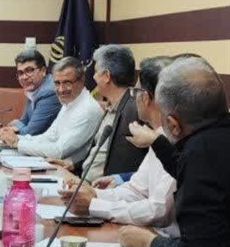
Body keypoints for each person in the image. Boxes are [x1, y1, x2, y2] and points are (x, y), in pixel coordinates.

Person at [119, 57, 230, 247]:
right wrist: (158, 143)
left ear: (173, 124)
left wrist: (149, 242)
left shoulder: (200, 153)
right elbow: (183, 168)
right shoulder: (217, 136)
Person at [60, 57, 177, 230]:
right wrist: (95, 194)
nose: (133, 98)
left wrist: (95, 205)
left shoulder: (172, 140)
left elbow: (159, 210)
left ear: (145, 97)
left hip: (165, 238)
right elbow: (136, 191)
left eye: (135, 91)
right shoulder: (158, 134)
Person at [50, 44, 146, 180]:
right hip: (83, 181)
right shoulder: (110, 106)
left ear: (106, 76)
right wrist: (73, 164)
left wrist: (114, 182)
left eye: (95, 72)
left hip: (106, 189)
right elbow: (99, 153)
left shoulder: (134, 111)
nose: (93, 77)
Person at [1, 56, 102, 162]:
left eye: (67, 83)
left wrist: (17, 143)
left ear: (81, 81)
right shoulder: (70, 102)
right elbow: (49, 137)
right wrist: (16, 138)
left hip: (72, 170)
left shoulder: (87, 109)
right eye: (57, 83)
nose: (61, 90)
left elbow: (59, 151)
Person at [0, 49, 60, 138]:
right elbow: (24, 121)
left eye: (29, 71)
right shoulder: (33, 88)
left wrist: (15, 123)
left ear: (43, 71)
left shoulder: (49, 92)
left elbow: (29, 133)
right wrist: (16, 126)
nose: (24, 77)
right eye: (20, 73)